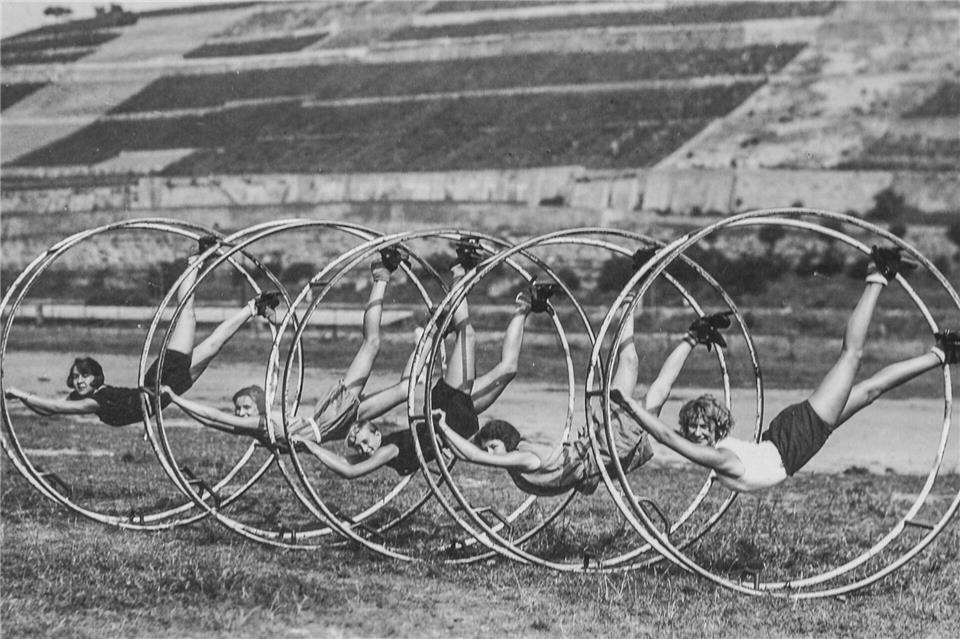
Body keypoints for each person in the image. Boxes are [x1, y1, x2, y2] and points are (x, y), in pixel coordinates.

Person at [610, 246, 960, 493]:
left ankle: (877, 276)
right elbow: (672, 434)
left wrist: (632, 407)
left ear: (716, 429)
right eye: (694, 428)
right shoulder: (719, 458)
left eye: (703, 426)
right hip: (788, 440)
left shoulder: (719, 459)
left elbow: (666, 437)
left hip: (795, 438)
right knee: (868, 391)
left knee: (851, 356)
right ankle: (941, 353)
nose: (698, 432)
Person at [293, 241, 549, 478]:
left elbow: (350, 469)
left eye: (363, 441)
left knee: (467, 335)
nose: (364, 449)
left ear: (377, 431)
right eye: (360, 447)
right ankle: (525, 304)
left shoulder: (390, 449)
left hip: (448, 413)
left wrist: (312, 448)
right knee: (508, 369)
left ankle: (461, 272)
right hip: (459, 420)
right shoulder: (389, 448)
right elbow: (351, 464)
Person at [434, 285, 708, 496]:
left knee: (650, 388)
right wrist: (443, 436)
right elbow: (470, 452)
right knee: (635, 370)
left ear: (507, 442)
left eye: (494, 447)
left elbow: (473, 455)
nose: (492, 453)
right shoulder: (513, 458)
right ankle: (678, 328)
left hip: (604, 447)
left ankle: (688, 334)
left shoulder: (524, 459)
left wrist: (443, 428)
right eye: (489, 448)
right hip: (601, 450)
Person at [4, 238, 281, 427]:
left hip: (160, 384)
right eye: (76, 377)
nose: (79, 381)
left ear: (95, 376)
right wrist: (23, 398)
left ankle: (212, 272)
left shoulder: (93, 402)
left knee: (195, 324)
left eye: (84, 375)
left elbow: (56, 408)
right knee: (201, 331)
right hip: (160, 386)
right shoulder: (86, 399)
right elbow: (50, 408)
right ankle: (237, 292)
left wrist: (22, 395)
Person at [158, 247, 409, 446]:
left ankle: (381, 275)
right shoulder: (251, 427)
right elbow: (213, 420)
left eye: (246, 408)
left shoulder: (260, 424)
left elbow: (215, 416)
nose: (241, 413)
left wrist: (176, 399)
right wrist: (178, 402)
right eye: (239, 409)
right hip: (329, 425)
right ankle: (426, 337)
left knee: (372, 345)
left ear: (260, 404)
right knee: (404, 390)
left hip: (330, 419)